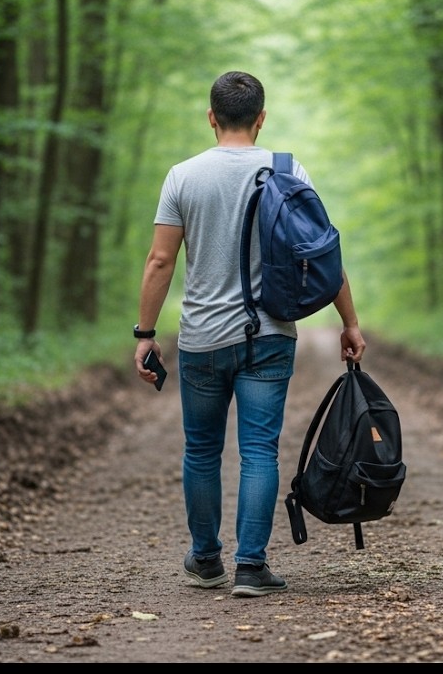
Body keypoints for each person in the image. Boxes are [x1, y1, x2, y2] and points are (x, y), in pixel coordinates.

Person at [133, 71, 366, 598]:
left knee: (201, 450)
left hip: (202, 340)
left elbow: (160, 260)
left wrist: (145, 334)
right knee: (259, 450)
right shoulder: (288, 170)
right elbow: (322, 253)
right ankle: (251, 567)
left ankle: (206, 560)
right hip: (270, 334)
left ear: (211, 117)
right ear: (262, 118)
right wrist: (349, 322)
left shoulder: (183, 176)